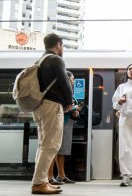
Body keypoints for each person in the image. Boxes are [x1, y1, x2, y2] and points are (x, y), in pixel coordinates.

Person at [31, 33, 73, 194]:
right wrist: (69, 102)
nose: (62, 49)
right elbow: (64, 82)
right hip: (51, 105)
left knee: (43, 145)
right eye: (62, 46)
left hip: (40, 105)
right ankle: (39, 183)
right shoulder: (56, 60)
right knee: (51, 145)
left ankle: (41, 180)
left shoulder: (41, 60)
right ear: (58, 44)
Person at [47, 71, 80, 185]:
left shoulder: (69, 93)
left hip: (67, 123)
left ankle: (61, 175)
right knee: (53, 150)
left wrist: (75, 113)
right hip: (58, 123)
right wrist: (73, 108)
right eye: (72, 79)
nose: (73, 81)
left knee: (61, 152)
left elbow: (69, 109)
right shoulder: (59, 93)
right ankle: (49, 176)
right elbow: (58, 109)